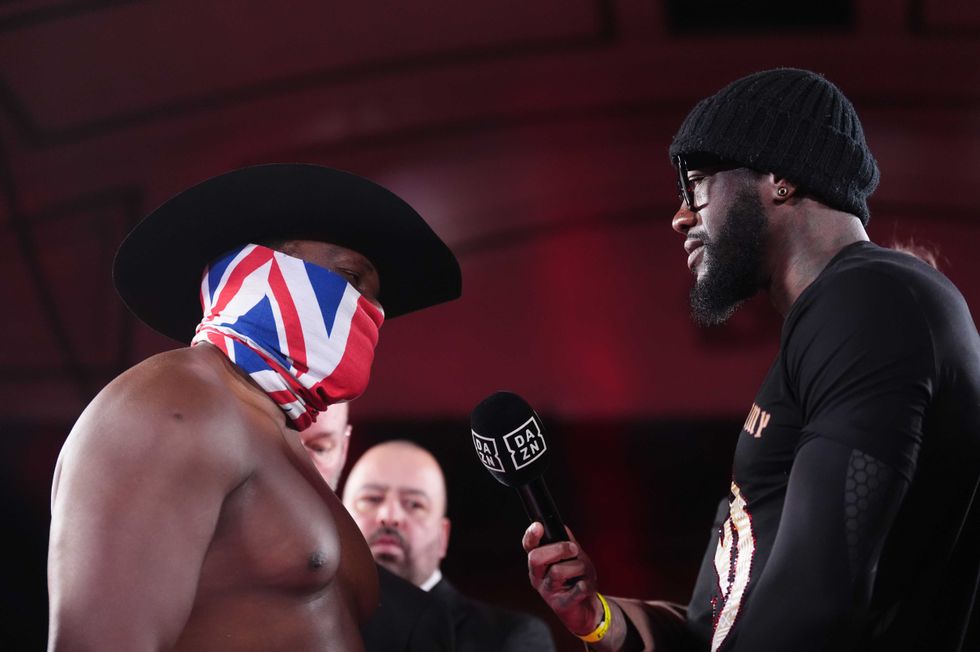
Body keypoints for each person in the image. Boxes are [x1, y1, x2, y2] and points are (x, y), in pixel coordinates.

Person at [523, 68, 980, 651]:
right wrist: (599, 618)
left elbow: (816, 603)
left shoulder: (872, 299)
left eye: (698, 184)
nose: (681, 215)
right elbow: (715, 629)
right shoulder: (835, 319)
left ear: (781, 177)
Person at [46, 164, 461, 651]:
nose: (369, 312)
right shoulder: (174, 401)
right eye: (350, 278)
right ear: (264, 265)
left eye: (374, 296)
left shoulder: (274, 432)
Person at [343, 440, 557, 652]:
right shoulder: (314, 625)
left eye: (414, 504)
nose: (389, 516)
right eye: (371, 499)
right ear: (336, 522)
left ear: (442, 536)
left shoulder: (508, 638)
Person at [299, 403, 456, 651]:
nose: (389, 516)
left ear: (343, 449)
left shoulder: (412, 622)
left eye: (320, 448)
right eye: (371, 499)